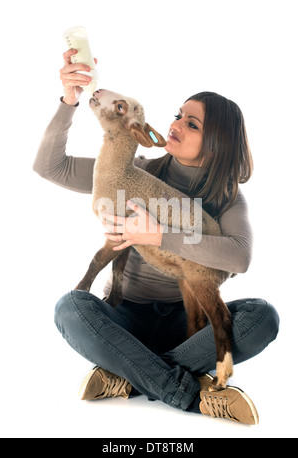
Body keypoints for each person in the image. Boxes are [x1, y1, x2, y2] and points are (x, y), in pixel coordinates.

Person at [33, 48, 279, 425]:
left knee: (263, 316)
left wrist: (159, 234)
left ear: (217, 144)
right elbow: (51, 167)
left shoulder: (226, 198)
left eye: (192, 124)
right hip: (125, 318)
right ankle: (194, 397)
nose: (177, 124)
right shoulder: (133, 170)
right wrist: (70, 100)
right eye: (179, 115)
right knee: (71, 308)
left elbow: (239, 257)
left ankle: (130, 373)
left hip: (188, 327)